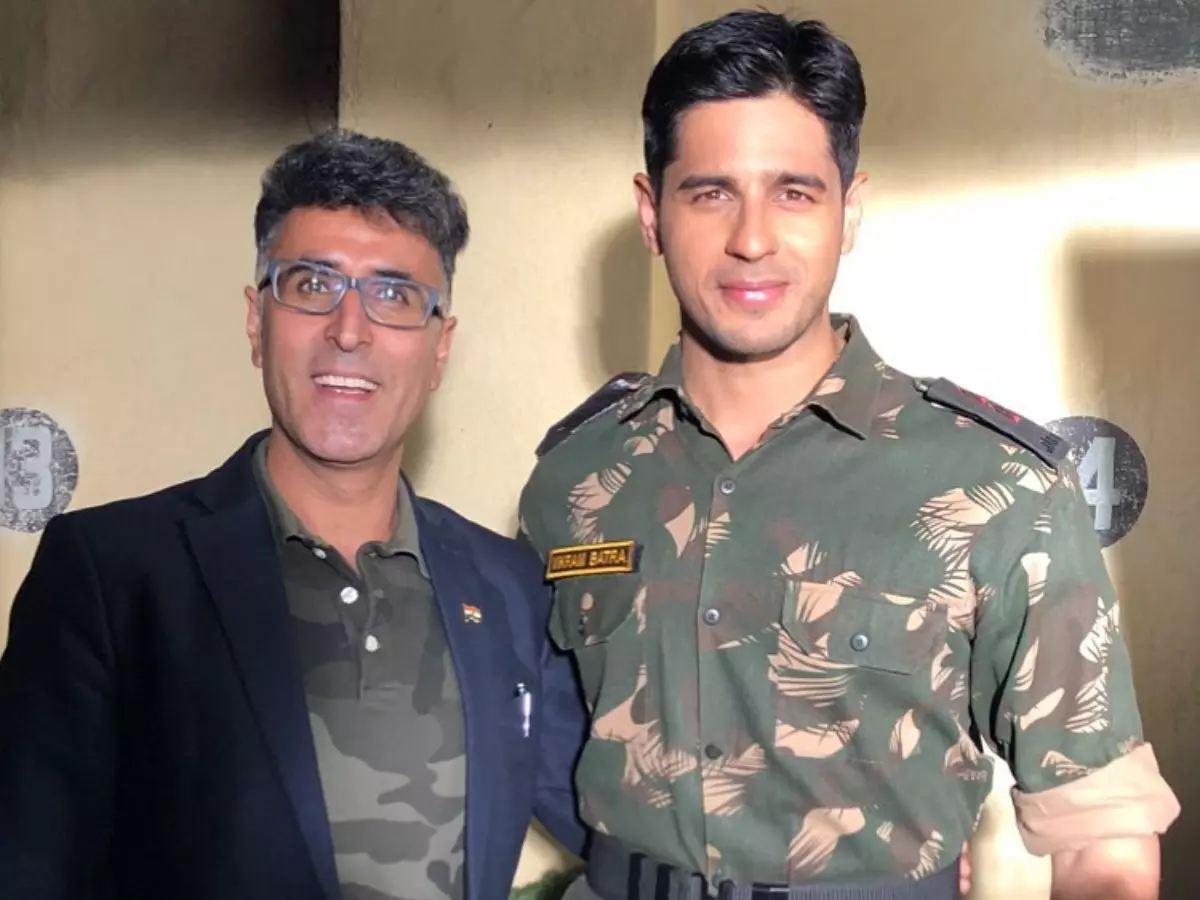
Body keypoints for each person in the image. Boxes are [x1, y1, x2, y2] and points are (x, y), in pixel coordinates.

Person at [518, 10, 1179, 900]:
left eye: (795, 192)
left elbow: (1105, 842)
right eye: (710, 193)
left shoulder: (998, 489)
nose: (753, 238)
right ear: (652, 213)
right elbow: (539, 740)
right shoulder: (575, 480)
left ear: (849, 209)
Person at [0, 129, 587, 900]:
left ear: (440, 347)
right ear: (256, 321)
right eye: (313, 285)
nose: (350, 331)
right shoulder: (115, 577)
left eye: (393, 295)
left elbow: (622, 808)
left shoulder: (509, 587)